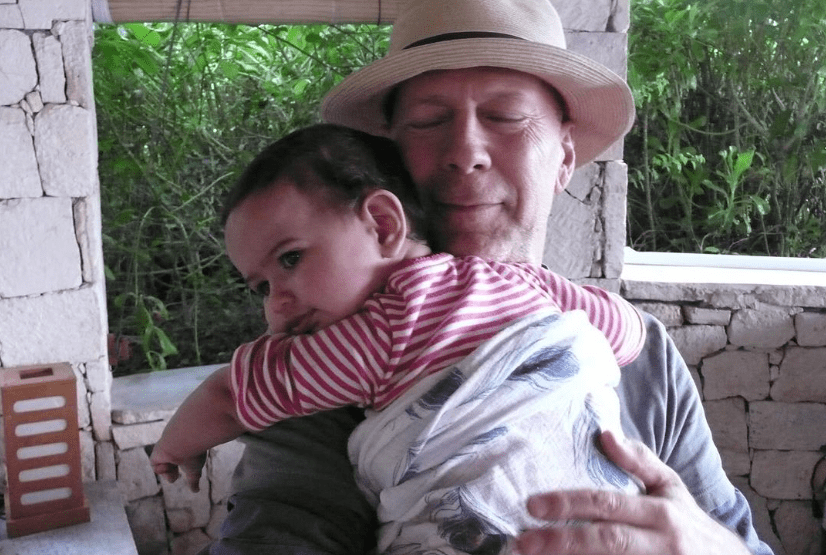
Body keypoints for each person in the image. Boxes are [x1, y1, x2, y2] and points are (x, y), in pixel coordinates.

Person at [201, 0, 775, 554]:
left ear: (565, 157)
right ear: (386, 165)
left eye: (505, 116)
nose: (465, 151)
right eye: (428, 122)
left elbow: (736, 538)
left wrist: (712, 546)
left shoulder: (645, 356)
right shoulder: (320, 359)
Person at [151, 123, 648, 553]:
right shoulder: (523, 281)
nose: (276, 302)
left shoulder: (375, 337)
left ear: (384, 224)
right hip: (608, 522)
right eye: (261, 286)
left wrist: (176, 447)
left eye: (290, 259)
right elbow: (625, 332)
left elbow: (231, 394)